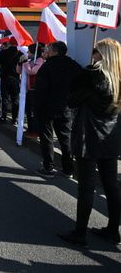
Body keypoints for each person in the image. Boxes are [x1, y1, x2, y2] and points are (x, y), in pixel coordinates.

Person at [58, 38, 120, 247]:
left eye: (95, 50)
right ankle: (113, 230)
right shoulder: (118, 79)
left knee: (86, 186)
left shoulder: (90, 76)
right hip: (111, 139)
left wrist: (86, 73)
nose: (92, 53)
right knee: (111, 186)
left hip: (89, 137)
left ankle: (80, 233)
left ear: (101, 55)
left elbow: (71, 99)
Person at [34, 41, 81, 179]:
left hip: (47, 107)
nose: (46, 51)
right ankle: (68, 169)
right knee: (65, 138)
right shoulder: (73, 65)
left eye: (49, 49)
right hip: (66, 106)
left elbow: (40, 90)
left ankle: (48, 167)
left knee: (47, 137)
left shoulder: (47, 66)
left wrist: (37, 106)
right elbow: (80, 83)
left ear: (55, 51)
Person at [16, 44, 44, 139]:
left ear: (34, 52)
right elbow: (19, 71)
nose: (27, 53)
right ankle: (30, 129)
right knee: (28, 110)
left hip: (35, 90)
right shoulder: (30, 60)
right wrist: (20, 63)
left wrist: (25, 63)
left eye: (29, 51)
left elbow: (32, 71)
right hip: (28, 90)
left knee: (34, 111)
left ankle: (36, 131)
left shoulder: (40, 60)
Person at [0, 38, 22, 125]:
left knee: (5, 98)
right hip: (15, 78)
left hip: (5, 77)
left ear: (9, 43)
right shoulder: (20, 54)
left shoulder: (3, 52)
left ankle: (3, 116)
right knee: (15, 98)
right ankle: (15, 118)